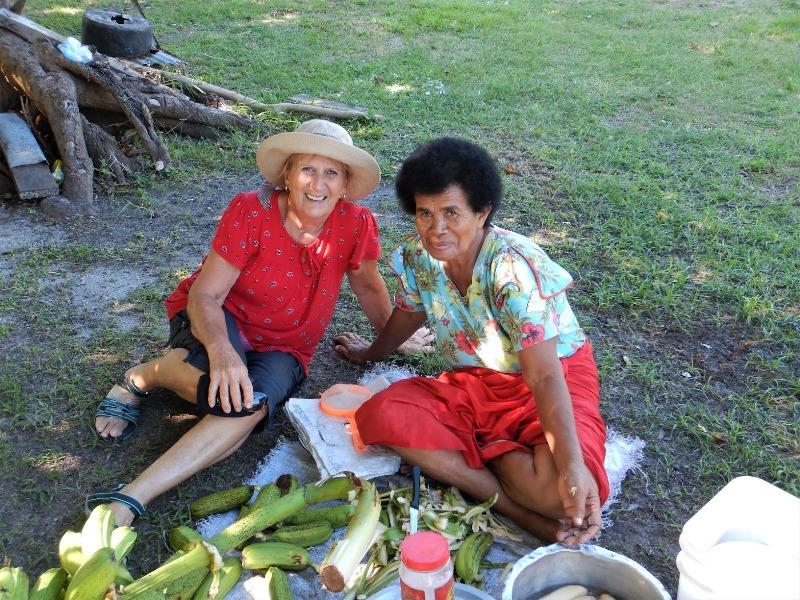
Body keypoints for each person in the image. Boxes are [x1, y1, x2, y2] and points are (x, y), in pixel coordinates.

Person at [91, 119, 432, 526]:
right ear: (287, 174)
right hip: (221, 319)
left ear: (344, 184)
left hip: (287, 347)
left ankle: (129, 498)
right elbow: (205, 296)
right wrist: (223, 354)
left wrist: (390, 338)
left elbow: (369, 286)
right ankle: (147, 376)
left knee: (242, 408)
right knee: (224, 389)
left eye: (332, 173)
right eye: (307, 169)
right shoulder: (251, 211)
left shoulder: (355, 223)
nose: (318, 184)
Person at [334, 137, 609, 545]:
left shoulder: (511, 269)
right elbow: (410, 313)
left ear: (482, 212)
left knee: (562, 492)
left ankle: (492, 461)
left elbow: (544, 377)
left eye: (451, 213)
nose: (436, 229)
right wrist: (370, 352)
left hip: (553, 379)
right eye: (424, 213)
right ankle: (513, 508)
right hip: (479, 382)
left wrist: (570, 467)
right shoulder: (419, 257)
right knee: (380, 416)